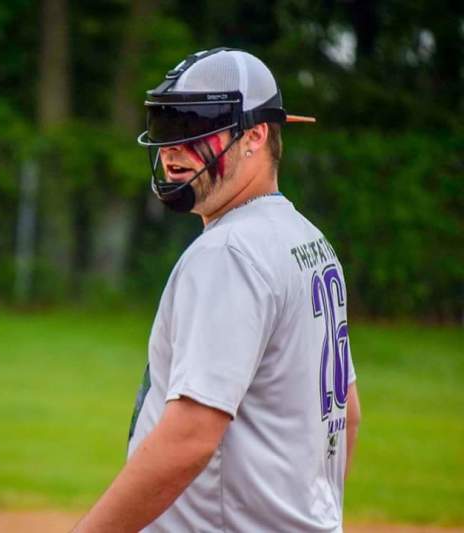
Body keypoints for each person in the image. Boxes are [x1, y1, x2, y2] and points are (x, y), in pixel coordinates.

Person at [74, 48, 361, 532]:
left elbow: (190, 437)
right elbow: (346, 415)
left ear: (255, 135)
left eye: (195, 126)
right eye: (165, 128)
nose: (171, 148)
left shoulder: (230, 252)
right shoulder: (308, 240)